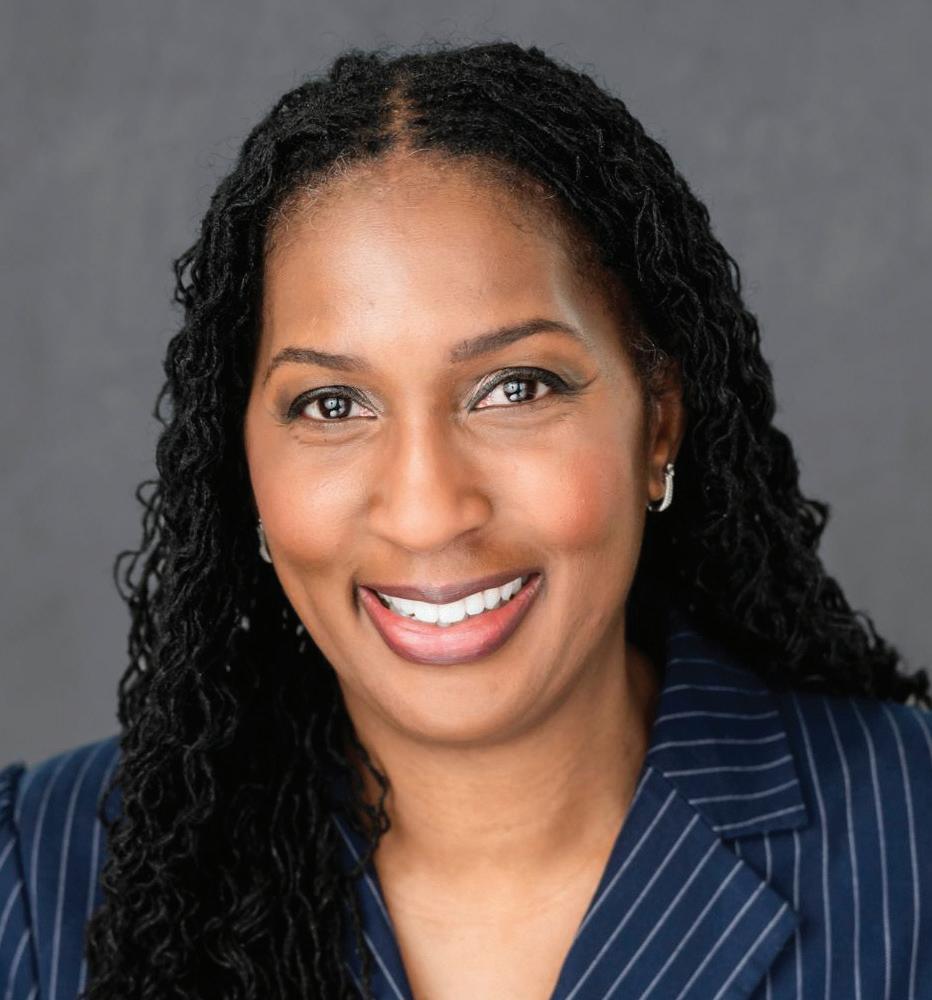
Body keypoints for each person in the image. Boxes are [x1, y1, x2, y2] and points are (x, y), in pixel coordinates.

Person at [1, 40, 930, 1000]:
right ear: (241, 465)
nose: (427, 512)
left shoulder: (913, 837)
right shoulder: (34, 880)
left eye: (515, 388)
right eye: (331, 405)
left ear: (657, 422)